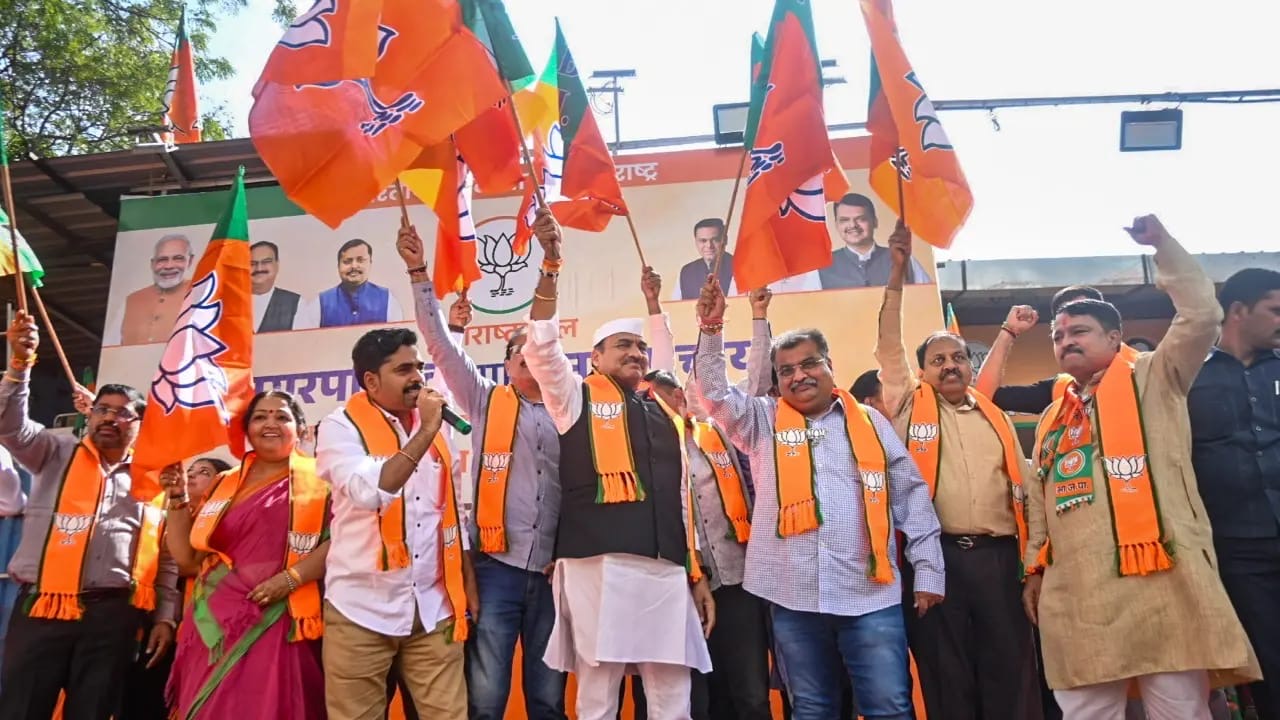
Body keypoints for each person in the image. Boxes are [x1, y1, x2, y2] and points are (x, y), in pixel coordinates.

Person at [1021, 215, 1258, 718]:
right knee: (1085, 710)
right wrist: (1033, 570)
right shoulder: (1051, 418)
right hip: (1078, 591)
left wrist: (1163, 246)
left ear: (1115, 338)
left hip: (1162, 581)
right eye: (1058, 336)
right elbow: (1038, 499)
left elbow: (1201, 314)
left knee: (1179, 710)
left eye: (1079, 331)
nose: (1066, 341)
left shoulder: (1155, 376)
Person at [693, 274, 944, 720]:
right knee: (811, 708)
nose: (798, 376)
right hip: (794, 598)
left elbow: (910, 496)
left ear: (829, 366)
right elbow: (713, 393)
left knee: (888, 707)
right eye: (786, 370)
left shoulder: (870, 422)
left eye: (808, 364)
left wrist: (928, 570)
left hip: (869, 594)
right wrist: (711, 327)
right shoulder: (762, 422)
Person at [523, 207, 713, 720]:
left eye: (640, 347)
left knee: (672, 690)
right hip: (597, 564)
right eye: (622, 345)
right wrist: (551, 267)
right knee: (598, 690)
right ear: (595, 358)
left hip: (664, 565)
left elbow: (681, 500)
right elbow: (541, 348)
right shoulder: (575, 398)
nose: (635, 353)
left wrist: (693, 570)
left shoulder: (662, 409)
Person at [396, 223, 567, 720]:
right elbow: (440, 345)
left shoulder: (572, 409)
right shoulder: (486, 400)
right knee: (486, 700)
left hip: (556, 571)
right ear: (508, 365)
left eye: (537, 351)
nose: (529, 359)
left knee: (548, 700)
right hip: (496, 568)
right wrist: (418, 272)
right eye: (519, 353)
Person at [875, 221, 1040, 720]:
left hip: (1000, 561)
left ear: (970, 366)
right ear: (922, 371)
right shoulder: (908, 404)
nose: (949, 365)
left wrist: (1033, 564)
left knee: (1010, 674)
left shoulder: (995, 417)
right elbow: (888, 343)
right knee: (947, 677)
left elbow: (1027, 492)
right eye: (937, 359)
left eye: (958, 358)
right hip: (935, 559)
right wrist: (896, 274)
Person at [0, 310, 179, 720]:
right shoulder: (54, 451)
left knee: (95, 711)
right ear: (90, 415)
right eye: (102, 410)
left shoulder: (155, 476)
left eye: (122, 413)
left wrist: (165, 617)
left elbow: (166, 556)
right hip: (42, 608)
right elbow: (9, 427)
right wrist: (19, 365)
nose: (110, 418)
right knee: (21, 709)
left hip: (113, 617)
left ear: (141, 423)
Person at [316, 328, 476, 720]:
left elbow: (450, 511)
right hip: (361, 610)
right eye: (404, 370)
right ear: (371, 381)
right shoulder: (340, 427)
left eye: (419, 367)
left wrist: (467, 579)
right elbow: (370, 492)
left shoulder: (434, 424)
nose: (417, 378)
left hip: (433, 607)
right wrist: (425, 432)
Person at [163, 391, 329, 720]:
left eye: (282, 417)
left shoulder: (323, 480)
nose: (270, 424)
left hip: (280, 616)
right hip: (212, 621)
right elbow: (188, 559)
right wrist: (177, 498)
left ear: (301, 429)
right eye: (260, 417)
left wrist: (290, 579)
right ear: (246, 429)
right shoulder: (223, 483)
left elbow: (338, 544)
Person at [645, 369, 772, 720]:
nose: (650, 412)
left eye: (656, 402)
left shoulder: (718, 435)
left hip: (735, 578)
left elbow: (757, 386)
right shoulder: (644, 455)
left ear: (679, 399)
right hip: (679, 588)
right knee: (698, 699)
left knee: (751, 693)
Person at [1188, 268, 1280, 719]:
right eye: (1275, 310)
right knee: (1267, 661)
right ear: (1239, 311)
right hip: (1237, 547)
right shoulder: (1189, 378)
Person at [975, 287, 1108, 414]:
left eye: (1080, 330)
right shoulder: (1060, 389)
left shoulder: (1122, 376)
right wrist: (1009, 330)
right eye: (1060, 336)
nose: (1069, 342)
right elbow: (983, 398)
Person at [818, 194, 930, 290]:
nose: (853, 225)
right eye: (844, 220)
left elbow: (928, 300)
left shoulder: (906, 260)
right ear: (836, 225)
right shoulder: (821, 268)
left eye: (861, 219)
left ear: (875, 222)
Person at [104, 234, 195, 346]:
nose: (169, 266)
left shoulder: (201, 293)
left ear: (190, 261)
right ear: (152, 264)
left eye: (178, 258)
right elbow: (110, 346)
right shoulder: (132, 300)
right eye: (162, 260)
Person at [318, 239, 405, 327]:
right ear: (338, 266)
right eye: (347, 261)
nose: (354, 266)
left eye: (360, 260)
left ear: (370, 263)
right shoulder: (320, 302)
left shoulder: (388, 300)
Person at [250, 241, 318, 332]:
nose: (259, 268)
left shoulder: (295, 303)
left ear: (277, 265)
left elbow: (304, 339)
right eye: (252, 263)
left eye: (266, 262)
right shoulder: (232, 303)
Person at [674, 218, 738, 301]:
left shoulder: (740, 268)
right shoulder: (686, 272)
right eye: (703, 240)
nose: (709, 245)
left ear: (725, 240)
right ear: (696, 242)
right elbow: (677, 305)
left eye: (715, 240)